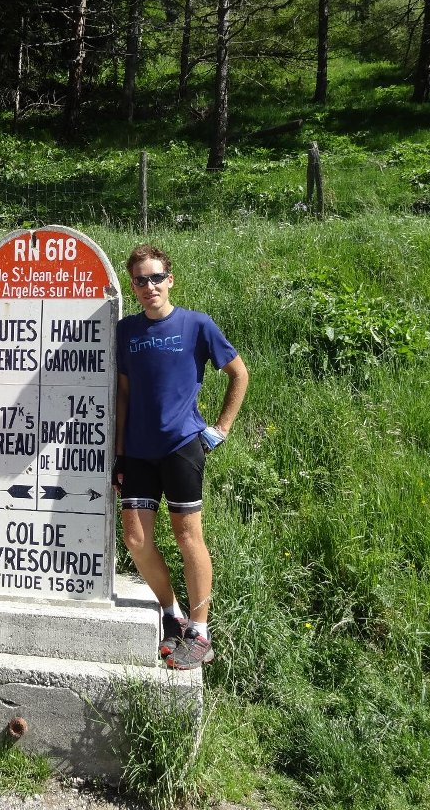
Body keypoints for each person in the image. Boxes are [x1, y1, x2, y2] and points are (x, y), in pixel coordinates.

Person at [113, 244, 249, 670]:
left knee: (188, 536)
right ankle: (172, 613)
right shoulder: (125, 331)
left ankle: (200, 630)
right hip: (136, 451)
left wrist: (220, 429)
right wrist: (118, 453)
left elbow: (239, 374)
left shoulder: (196, 325)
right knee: (136, 541)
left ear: (170, 279)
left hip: (182, 446)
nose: (149, 286)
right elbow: (124, 392)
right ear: (132, 286)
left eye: (156, 278)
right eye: (140, 280)